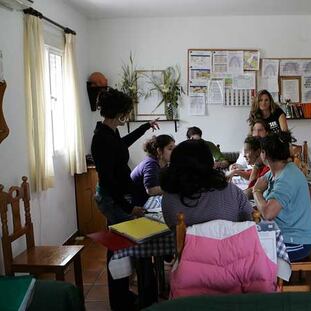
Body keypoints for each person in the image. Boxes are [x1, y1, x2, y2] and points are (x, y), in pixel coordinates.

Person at [91, 88, 159, 311]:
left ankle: (123, 295)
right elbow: (109, 181)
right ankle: (119, 302)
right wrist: (129, 207)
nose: (127, 115)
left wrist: (145, 127)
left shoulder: (109, 132)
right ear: (119, 112)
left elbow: (122, 146)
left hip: (117, 194)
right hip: (112, 198)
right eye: (127, 112)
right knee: (118, 248)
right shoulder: (101, 139)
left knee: (121, 247)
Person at [160, 139, 253, 228]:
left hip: (189, 244)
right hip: (231, 242)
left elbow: (173, 227)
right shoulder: (231, 190)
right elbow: (250, 219)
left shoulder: (169, 198)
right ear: (210, 163)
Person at [252, 132, 311, 262]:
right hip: (283, 234)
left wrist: (256, 191)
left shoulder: (287, 177)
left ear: (264, 154)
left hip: (296, 242)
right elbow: (255, 187)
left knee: (250, 253)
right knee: (246, 243)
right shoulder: (278, 170)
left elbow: (268, 213)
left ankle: (267, 281)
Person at [131, 135, 175, 206]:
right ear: (159, 151)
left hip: (147, 200)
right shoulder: (150, 164)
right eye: (170, 149)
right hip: (135, 204)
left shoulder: (164, 163)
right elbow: (151, 190)